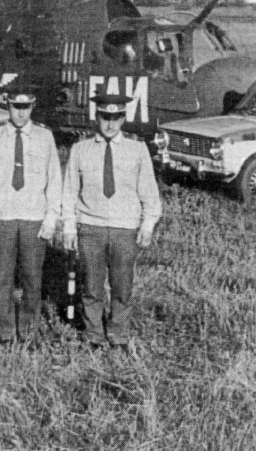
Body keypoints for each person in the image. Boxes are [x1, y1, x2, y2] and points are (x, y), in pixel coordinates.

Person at [61, 93, 161, 349]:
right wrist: (69, 227)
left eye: (115, 118)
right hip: (90, 227)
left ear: (123, 119)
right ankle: (93, 333)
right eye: (105, 117)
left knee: (122, 285)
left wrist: (148, 224)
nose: (110, 123)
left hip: (125, 228)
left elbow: (149, 191)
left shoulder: (137, 150)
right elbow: (69, 192)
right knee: (91, 286)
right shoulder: (80, 149)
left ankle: (118, 332)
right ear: (97, 117)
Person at [0, 83, 61, 344]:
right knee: (1, 278)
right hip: (2, 217)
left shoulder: (45, 137)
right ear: (8, 105)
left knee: (32, 278)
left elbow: (54, 181)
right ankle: (5, 332)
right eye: (16, 107)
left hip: (33, 218)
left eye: (26, 107)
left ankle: (28, 331)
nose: (21, 113)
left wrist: (51, 218)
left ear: (33, 106)